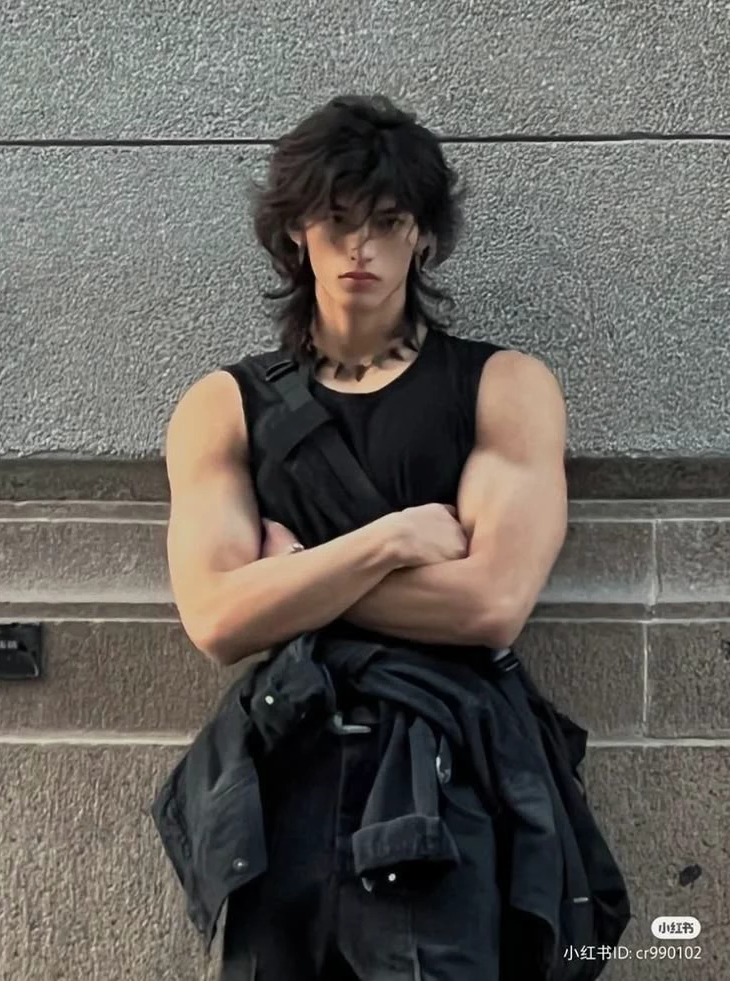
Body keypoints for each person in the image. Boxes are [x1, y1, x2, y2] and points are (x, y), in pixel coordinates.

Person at [164, 94, 569, 980]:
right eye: (338, 220)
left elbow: (491, 604)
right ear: (296, 233)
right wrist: (387, 541)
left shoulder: (503, 386)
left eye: (388, 222)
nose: (361, 247)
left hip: (439, 769)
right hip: (285, 768)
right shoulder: (223, 405)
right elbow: (217, 618)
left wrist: (292, 581)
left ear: (421, 237)